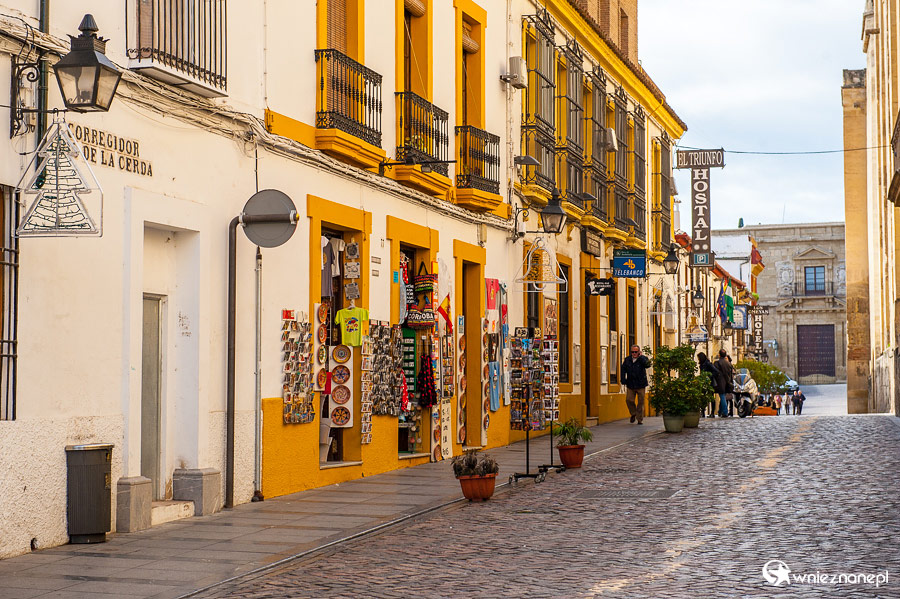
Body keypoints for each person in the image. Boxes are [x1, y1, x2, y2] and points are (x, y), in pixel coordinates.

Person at [621, 345, 651, 425]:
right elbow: (623, 369)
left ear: (639, 352)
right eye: (632, 352)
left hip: (641, 384)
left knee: (641, 402)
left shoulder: (643, 359)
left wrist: (641, 357)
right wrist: (623, 379)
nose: (634, 353)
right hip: (630, 384)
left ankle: (639, 419)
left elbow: (647, 365)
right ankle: (633, 413)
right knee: (629, 400)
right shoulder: (627, 360)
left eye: (635, 352)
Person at [697, 352, 728, 418]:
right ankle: (703, 412)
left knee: (711, 398)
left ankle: (712, 413)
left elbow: (716, 371)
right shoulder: (702, 364)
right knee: (703, 397)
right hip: (704, 382)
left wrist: (709, 376)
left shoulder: (708, 364)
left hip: (710, 383)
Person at [715, 350, 734, 418]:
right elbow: (731, 374)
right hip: (728, 382)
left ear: (719, 355)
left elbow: (715, 373)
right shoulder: (729, 363)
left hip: (720, 382)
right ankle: (720, 411)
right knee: (723, 396)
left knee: (722, 396)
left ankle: (725, 412)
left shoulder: (717, 363)